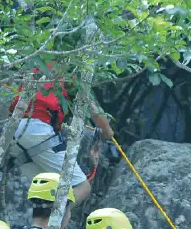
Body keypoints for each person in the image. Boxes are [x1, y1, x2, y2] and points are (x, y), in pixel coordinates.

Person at [9, 69, 114, 204]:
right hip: (37, 131)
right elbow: (95, 112)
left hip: (14, 128)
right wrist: (108, 132)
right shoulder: (69, 72)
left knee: (45, 184)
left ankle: (38, 216)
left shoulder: (35, 65)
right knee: (82, 186)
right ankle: (53, 218)